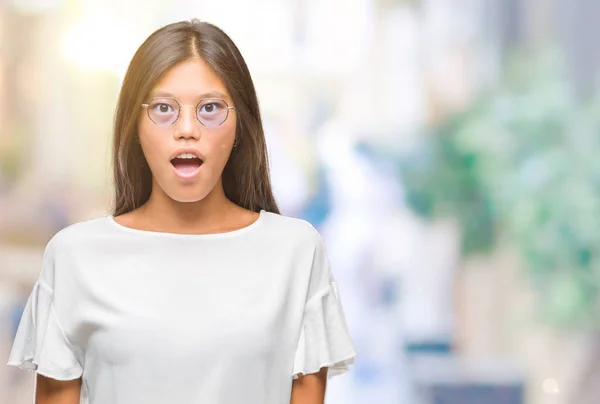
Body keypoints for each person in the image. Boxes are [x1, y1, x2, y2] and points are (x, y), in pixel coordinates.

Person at [6, 19, 356, 404]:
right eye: (162, 108)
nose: (187, 128)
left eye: (209, 108)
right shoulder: (73, 256)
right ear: (134, 126)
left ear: (241, 125)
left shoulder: (297, 252)